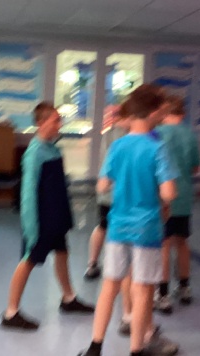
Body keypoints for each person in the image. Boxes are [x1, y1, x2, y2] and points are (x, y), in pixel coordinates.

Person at [77, 84, 177, 356]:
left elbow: (102, 185)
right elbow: (169, 192)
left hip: (118, 226)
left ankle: (95, 346)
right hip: (147, 228)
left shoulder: (118, 145)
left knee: (109, 286)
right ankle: (136, 348)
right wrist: (162, 196)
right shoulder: (157, 148)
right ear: (153, 112)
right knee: (142, 290)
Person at [1, 101, 94, 331]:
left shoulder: (53, 149)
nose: (59, 124)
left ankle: (68, 298)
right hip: (41, 219)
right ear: (41, 123)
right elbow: (28, 194)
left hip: (56, 216)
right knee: (29, 260)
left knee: (62, 253)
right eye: (55, 120)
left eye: (59, 120)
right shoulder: (34, 154)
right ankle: (11, 312)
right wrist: (31, 226)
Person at [154, 95, 200, 314]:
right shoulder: (190, 135)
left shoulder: (157, 134)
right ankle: (184, 286)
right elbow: (195, 167)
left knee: (164, 244)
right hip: (184, 197)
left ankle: (162, 293)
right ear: (183, 113)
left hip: (163, 198)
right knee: (182, 242)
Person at [84, 101, 131, 280]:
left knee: (102, 226)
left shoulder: (108, 134)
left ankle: (92, 263)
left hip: (106, 193)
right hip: (119, 193)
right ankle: (120, 268)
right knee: (120, 231)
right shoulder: (126, 136)